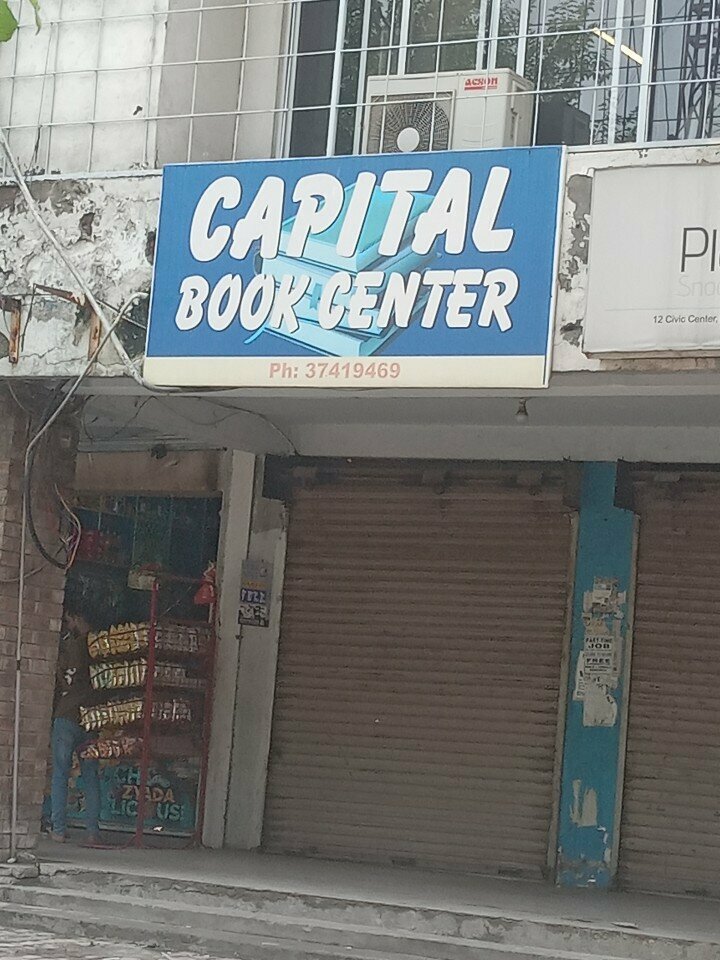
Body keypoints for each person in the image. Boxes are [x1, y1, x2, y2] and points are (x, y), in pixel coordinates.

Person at [50, 604, 102, 846]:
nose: (68, 625)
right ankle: (92, 832)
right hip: (91, 719)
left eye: (70, 620)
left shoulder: (63, 647)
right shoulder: (100, 647)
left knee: (60, 774)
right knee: (90, 776)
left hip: (65, 716)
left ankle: (58, 831)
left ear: (77, 618)